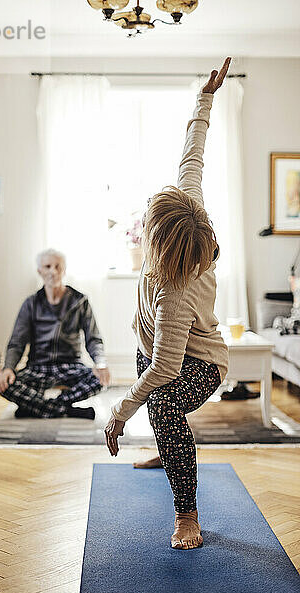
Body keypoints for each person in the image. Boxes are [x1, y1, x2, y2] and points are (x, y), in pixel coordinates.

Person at [104, 58, 231, 550]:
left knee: (163, 403)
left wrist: (120, 410)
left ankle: (187, 515)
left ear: (163, 250)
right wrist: (205, 98)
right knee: (160, 410)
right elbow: (192, 156)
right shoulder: (188, 202)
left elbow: (164, 367)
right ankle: (168, 444)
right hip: (158, 348)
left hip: (199, 361)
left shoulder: (176, 293)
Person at [0, 248, 111, 419]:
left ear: (64, 270)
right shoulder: (31, 303)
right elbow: (17, 342)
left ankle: (36, 408)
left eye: (58, 266)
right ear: (39, 271)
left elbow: (93, 339)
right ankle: (68, 411)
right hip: (38, 367)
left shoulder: (80, 301)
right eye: (48, 266)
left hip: (71, 366)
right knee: (6, 384)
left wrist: (100, 363)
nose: (53, 271)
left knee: (101, 380)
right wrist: (8, 368)